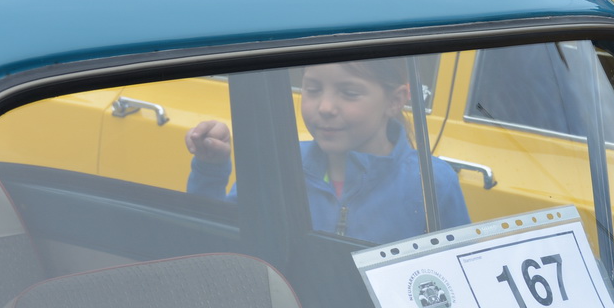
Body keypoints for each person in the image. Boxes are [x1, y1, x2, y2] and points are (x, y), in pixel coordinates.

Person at [185, 58, 468, 245]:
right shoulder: (279, 164)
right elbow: (219, 246)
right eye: (313, 89)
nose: (325, 107)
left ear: (395, 101)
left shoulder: (432, 182)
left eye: (349, 93)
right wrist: (211, 170)